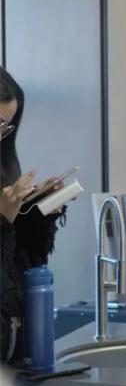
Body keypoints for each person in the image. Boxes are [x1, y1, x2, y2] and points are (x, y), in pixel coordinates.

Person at [1, 66, 67, 366]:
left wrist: (37, 214)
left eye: (6, 127)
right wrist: (3, 221)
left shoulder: (4, 169)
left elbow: (17, 261)